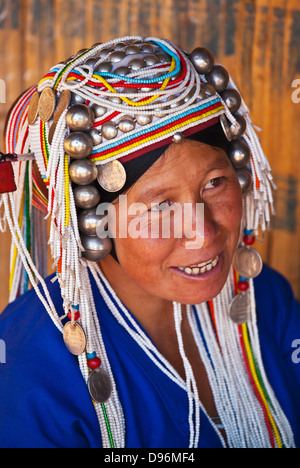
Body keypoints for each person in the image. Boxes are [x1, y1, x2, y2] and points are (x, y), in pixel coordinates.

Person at [0, 35, 299, 449]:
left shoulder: (264, 297)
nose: (203, 232)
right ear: (93, 220)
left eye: (214, 183)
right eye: (160, 207)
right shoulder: (28, 366)